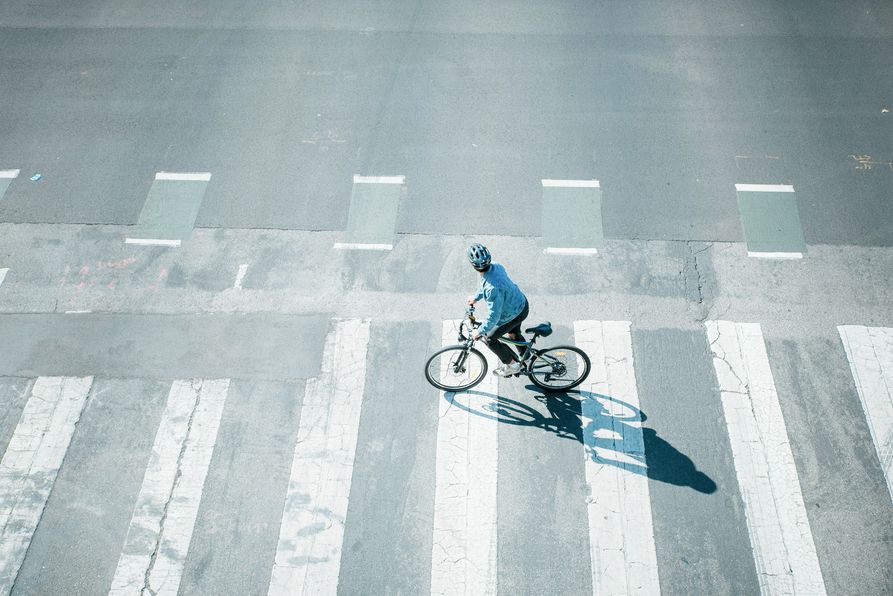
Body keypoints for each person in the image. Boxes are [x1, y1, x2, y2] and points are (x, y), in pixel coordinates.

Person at [465, 243, 530, 377]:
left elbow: (494, 316)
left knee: (489, 339)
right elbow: (488, 284)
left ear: (473, 265)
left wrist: (480, 331)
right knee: (513, 334)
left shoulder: (491, 289)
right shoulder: (496, 266)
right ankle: (526, 356)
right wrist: (476, 298)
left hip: (512, 313)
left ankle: (512, 365)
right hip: (521, 304)